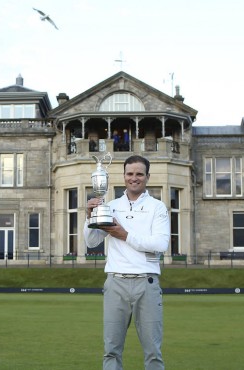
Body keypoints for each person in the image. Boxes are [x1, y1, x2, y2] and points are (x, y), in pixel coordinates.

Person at [84, 155, 170, 370]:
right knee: (111, 351)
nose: (134, 178)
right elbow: (92, 241)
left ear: (147, 177)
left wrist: (124, 234)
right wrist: (89, 217)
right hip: (116, 283)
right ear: (123, 177)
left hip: (147, 284)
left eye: (139, 174)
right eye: (130, 174)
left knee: (153, 353)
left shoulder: (157, 207)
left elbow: (160, 244)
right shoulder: (111, 206)